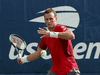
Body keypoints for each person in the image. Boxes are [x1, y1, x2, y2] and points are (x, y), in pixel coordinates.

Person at [17, 8, 80, 75]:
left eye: (51, 19)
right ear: (44, 20)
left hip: (70, 70)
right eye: (47, 19)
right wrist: (23, 59)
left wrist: (51, 34)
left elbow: (71, 36)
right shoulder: (45, 36)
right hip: (55, 71)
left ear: (56, 19)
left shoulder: (61, 28)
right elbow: (38, 53)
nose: (49, 21)